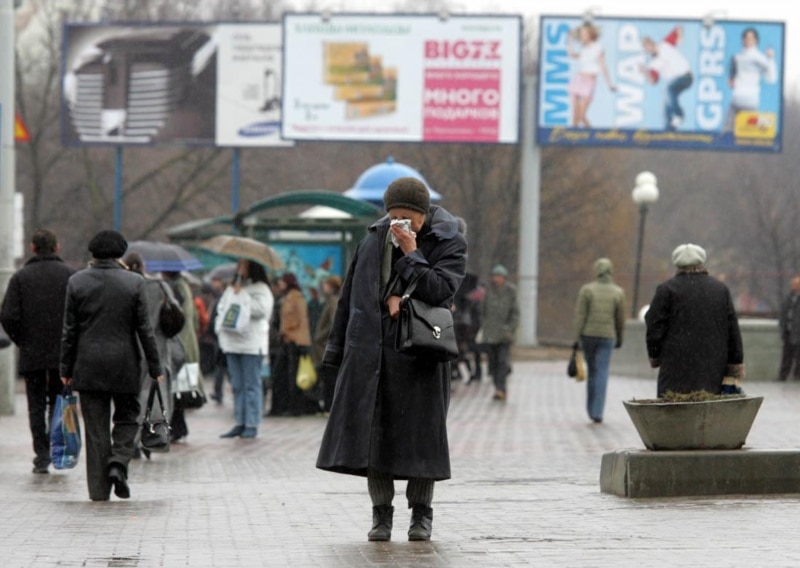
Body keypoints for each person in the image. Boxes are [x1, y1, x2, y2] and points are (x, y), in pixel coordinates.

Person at [316, 176, 467, 542]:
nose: (399, 226)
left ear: (423, 213)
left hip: (421, 356)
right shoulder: (371, 239)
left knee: (422, 440)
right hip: (372, 355)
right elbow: (349, 297)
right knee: (375, 439)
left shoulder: (449, 240)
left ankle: (421, 515)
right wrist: (336, 352)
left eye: (407, 219)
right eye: (393, 218)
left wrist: (412, 252)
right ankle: (381, 515)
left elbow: (440, 289)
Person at [60, 230, 163, 501]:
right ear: (119, 253)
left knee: (96, 430)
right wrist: (155, 366)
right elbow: (145, 329)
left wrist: (65, 370)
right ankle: (118, 461)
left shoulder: (76, 282)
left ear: (93, 253)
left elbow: (69, 331)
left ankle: (98, 491)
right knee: (129, 416)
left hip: (88, 364)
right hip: (125, 363)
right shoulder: (134, 283)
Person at [0, 229, 75, 474]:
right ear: (57, 247)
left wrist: (22, 339)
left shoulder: (21, 278)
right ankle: (55, 448)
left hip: (32, 351)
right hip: (62, 352)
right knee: (57, 401)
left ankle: (41, 454)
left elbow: (8, 316)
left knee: (35, 405)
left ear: (33, 248)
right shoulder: (70, 276)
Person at [645, 244, 745, 397]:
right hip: (713, 367)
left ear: (677, 264)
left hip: (675, 367)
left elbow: (654, 325)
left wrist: (655, 355)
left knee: (673, 410)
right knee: (708, 412)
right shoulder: (719, 289)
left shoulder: (666, 290)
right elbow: (732, 328)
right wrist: (735, 362)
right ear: (701, 262)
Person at [122, 252, 176, 460]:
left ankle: (133, 440)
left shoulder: (126, 287)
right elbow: (176, 316)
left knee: (133, 397)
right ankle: (152, 435)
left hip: (132, 349)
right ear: (143, 266)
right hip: (159, 348)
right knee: (155, 395)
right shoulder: (160, 286)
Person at [217, 259, 274, 439]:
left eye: (244, 265)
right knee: (237, 386)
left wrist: (243, 296)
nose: (239, 268)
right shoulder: (231, 288)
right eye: (239, 265)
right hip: (232, 343)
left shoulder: (261, 289)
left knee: (251, 385)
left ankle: (252, 423)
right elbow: (222, 309)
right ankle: (240, 421)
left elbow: (262, 311)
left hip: (251, 344)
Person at [573, 258, 625, 424]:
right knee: (602, 371)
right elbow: (620, 319)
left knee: (592, 371)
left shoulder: (587, 290)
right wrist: (619, 338)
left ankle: (590, 408)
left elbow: (580, 316)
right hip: (607, 336)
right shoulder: (618, 292)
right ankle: (598, 411)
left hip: (588, 335)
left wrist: (576, 338)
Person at [161, 270, 204, 442]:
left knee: (174, 387)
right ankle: (178, 427)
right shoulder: (183, 287)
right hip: (186, 342)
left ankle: (176, 428)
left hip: (177, 343)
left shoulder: (175, 289)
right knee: (176, 387)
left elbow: (173, 316)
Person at [271, 272, 316, 416]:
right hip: (288, 340)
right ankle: (282, 406)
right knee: (282, 374)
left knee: (294, 376)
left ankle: (295, 407)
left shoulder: (296, 297)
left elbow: (297, 319)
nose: (280, 285)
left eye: (282, 282)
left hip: (296, 341)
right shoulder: (287, 297)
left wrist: (285, 330)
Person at [724, 27, 777, 132]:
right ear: (742, 40)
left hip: (750, 101)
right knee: (727, 134)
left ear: (756, 41)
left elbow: (771, 79)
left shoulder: (759, 58)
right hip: (737, 100)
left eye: (751, 38)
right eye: (746, 38)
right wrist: (731, 82)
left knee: (745, 136)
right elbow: (732, 79)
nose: (748, 41)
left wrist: (770, 59)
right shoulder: (737, 57)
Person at [641, 26, 693, 131]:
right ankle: (669, 130)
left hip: (686, 76)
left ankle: (679, 115)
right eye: (646, 50)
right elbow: (653, 81)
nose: (648, 51)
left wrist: (680, 36)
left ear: (651, 44)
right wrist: (645, 72)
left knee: (668, 89)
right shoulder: (653, 64)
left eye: (647, 48)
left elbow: (679, 27)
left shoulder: (665, 44)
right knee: (667, 102)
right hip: (676, 81)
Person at [480, 265, 519, 401]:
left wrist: (510, 329)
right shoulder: (488, 291)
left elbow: (515, 313)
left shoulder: (511, 291)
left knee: (502, 361)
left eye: (499, 276)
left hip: (504, 335)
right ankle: (497, 385)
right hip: (490, 333)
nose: (496, 279)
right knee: (492, 363)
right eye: (494, 276)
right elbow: (482, 312)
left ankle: (500, 389)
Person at [567, 22, 616, 128]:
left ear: (591, 34)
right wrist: (570, 39)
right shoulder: (584, 50)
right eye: (581, 34)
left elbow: (603, 66)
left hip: (589, 81)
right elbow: (572, 54)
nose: (582, 36)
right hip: (578, 79)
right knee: (575, 115)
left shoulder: (598, 47)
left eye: (585, 34)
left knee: (581, 115)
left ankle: (592, 137)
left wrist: (610, 84)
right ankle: (572, 140)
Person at [311, 275, 342, 412]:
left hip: (326, 346)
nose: (323, 287)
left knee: (330, 378)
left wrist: (320, 337)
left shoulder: (333, 301)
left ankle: (330, 405)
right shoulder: (329, 301)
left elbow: (333, 323)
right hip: (324, 345)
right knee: (328, 377)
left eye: (326, 284)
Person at [778, 275, 800, 381]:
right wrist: (782, 329)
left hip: (798, 332)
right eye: (793, 284)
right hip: (788, 331)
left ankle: (797, 376)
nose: (794, 286)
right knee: (786, 355)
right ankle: (783, 375)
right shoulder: (788, 297)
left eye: (796, 284)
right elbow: (782, 313)